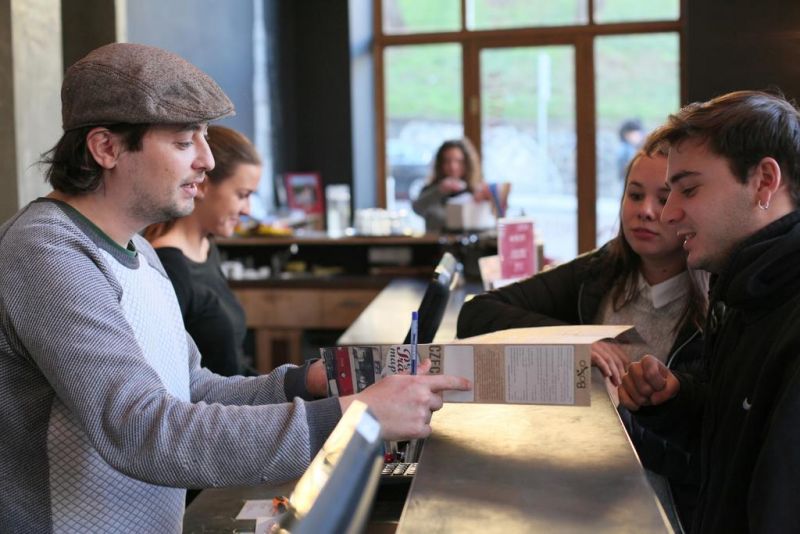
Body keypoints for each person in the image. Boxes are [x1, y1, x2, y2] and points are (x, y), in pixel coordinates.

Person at [0, 43, 471, 533]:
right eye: (185, 142)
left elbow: (194, 389)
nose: (206, 160)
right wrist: (352, 416)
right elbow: (140, 429)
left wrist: (305, 383)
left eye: (204, 138)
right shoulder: (45, 251)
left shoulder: (139, 250)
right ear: (106, 148)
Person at [457, 148, 708, 528]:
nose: (645, 211)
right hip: (573, 479)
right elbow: (476, 314)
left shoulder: (717, 305)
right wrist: (573, 341)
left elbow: (698, 457)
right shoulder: (600, 270)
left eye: (663, 198)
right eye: (634, 194)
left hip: (661, 504)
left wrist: (624, 414)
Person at [618, 90, 800, 533]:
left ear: (764, 181)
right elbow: (735, 447)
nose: (668, 214)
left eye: (689, 189)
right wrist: (675, 402)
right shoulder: (744, 292)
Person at [144, 125, 261, 377]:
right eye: (242, 195)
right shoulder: (169, 266)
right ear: (203, 186)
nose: (247, 210)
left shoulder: (206, 247)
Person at [412, 138, 492, 231]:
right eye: (447, 161)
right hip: (437, 240)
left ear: (467, 163)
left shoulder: (476, 191)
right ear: (440, 164)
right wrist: (440, 190)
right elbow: (417, 208)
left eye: (459, 161)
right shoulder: (432, 191)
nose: (453, 167)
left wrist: (485, 201)